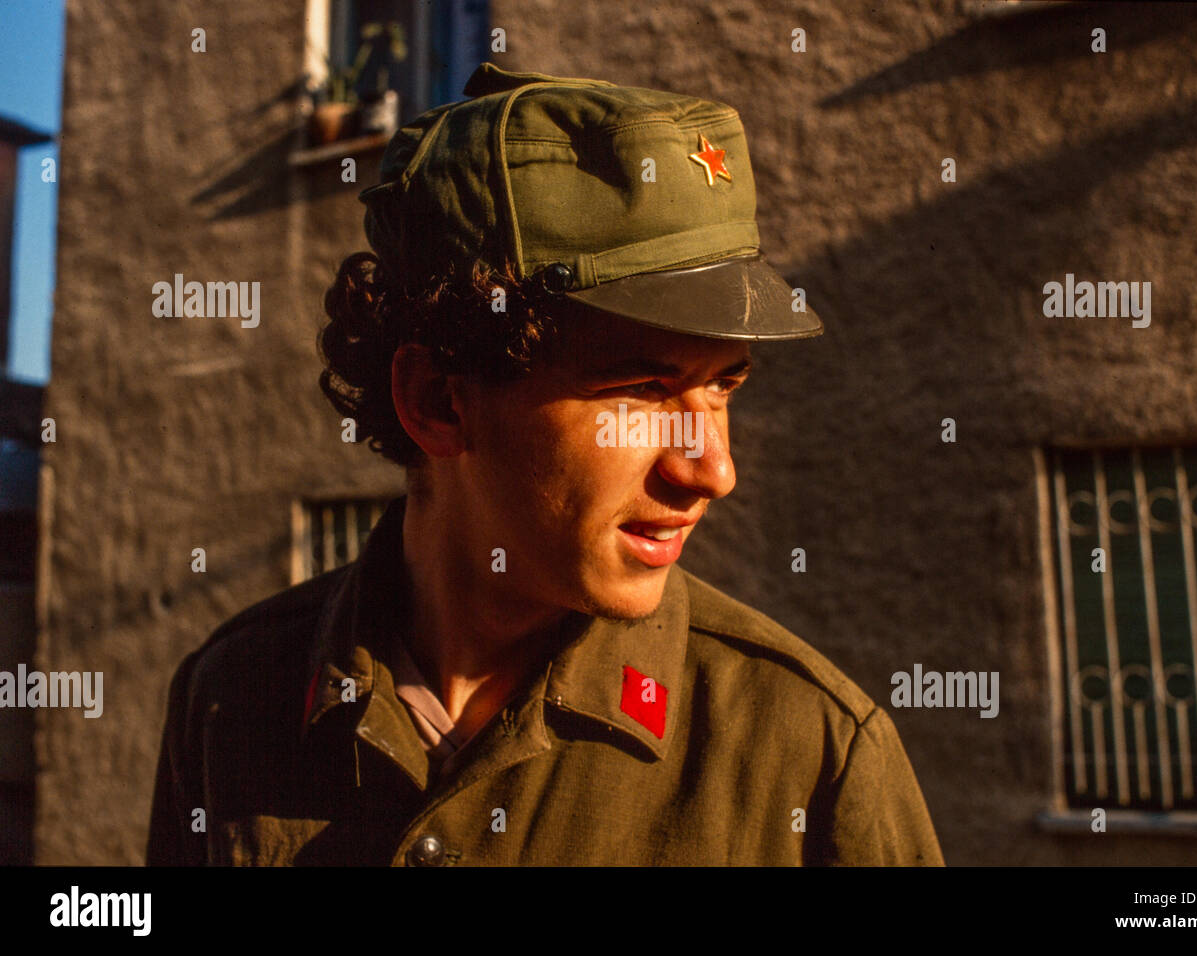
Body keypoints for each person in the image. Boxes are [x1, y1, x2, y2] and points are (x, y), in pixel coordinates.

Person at [146, 63, 943, 866]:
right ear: (439, 401)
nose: (712, 472)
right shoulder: (232, 701)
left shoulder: (813, 757)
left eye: (724, 384)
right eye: (641, 389)